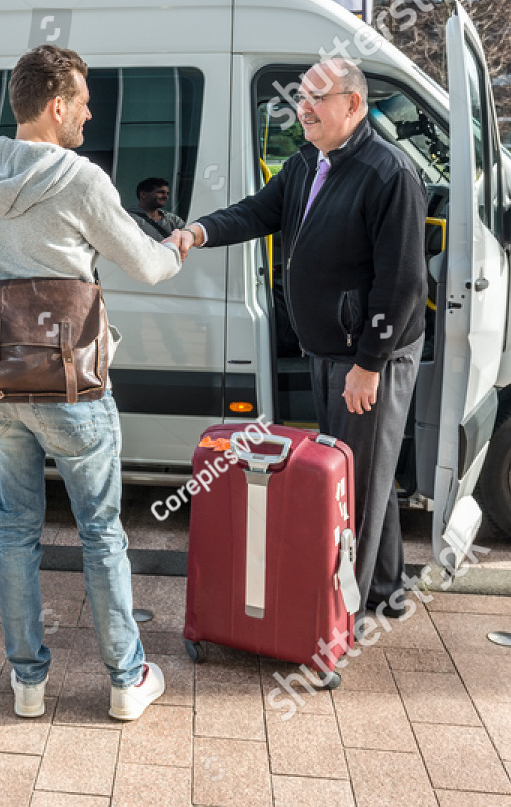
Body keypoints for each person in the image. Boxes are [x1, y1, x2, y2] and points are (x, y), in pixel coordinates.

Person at [0, 45, 184, 721]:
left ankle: (27, 681)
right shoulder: (81, 180)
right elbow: (146, 264)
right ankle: (125, 679)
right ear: (55, 106)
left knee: (14, 530)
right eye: (81, 99)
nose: (88, 110)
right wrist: (180, 242)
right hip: (72, 385)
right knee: (102, 532)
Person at [178, 58, 428, 625]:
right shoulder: (308, 162)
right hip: (328, 350)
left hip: (366, 358)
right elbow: (256, 213)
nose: (304, 109)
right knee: (364, 473)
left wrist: (369, 364)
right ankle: (386, 590)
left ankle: (346, 614)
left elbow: (404, 281)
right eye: (301, 99)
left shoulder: (388, 173)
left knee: (354, 484)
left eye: (318, 98)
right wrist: (198, 231)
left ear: (354, 105)